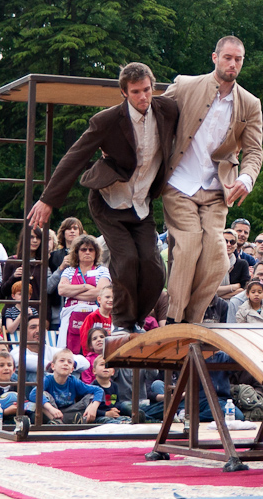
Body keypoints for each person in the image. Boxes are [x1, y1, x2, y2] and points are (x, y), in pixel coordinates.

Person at [28, 63, 179, 336]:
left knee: (154, 268)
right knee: (127, 260)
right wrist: (48, 199)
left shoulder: (167, 110)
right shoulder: (107, 120)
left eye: (147, 90)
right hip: (109, 202)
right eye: (136, 92)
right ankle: (121, 321)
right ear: (124, 92)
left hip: (141, 204)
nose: (143, 97)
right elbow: (75, 157)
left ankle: (136, 320)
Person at [161, 37, 263, 325]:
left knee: (218, 259)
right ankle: (174, 318)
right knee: (189, 245)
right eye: (228, 57)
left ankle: (191, 320)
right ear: (215, 57)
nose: (233, 64)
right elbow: (152, 116)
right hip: (179, 183)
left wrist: (246, 177)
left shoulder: (250, 103)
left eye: (238, 59)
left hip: (219, 189)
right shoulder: (184, 85)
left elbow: (254, 150)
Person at [55, 235, 109, 353]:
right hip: (71, 319)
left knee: (93, 350)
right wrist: (85, 286)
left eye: (91, 250)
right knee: (69, 351)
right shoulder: (69, 270)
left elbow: (100, 293)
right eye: (83, 249)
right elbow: (62, 290)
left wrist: (72, 293)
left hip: (94, 317)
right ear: (77, 252)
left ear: (96, 252)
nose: (87, 252)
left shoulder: (102, 270)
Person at [29, 349, 110, 424]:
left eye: (69, 362)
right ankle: (57, 423)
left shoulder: (73, 381)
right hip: (52, 413)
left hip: (70, 413)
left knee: (91, 396)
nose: (66, 364)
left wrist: (93, 407)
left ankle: (81, 420)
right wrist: (51, 408)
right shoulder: (48, 379)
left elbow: (99, 390)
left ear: (72, 369)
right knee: (42, 394)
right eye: (62, 360)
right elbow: (33, 394)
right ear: (53, 366)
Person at [218, 230, 250, 300]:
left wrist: (219, 295)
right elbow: (208, 290)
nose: (228, 244)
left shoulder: (242, 264)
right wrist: (233, 287)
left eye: (232, 242)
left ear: (236, 245)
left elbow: (244, 291)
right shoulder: (212, 263)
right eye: (225, 241)